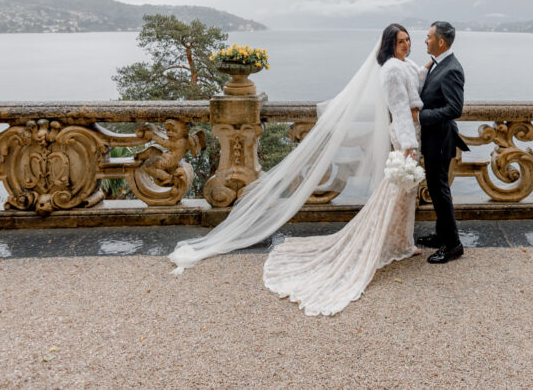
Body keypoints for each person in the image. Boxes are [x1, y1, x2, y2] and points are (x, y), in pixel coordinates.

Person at [167, 23, 435, 316]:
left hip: (411, 133)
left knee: (402, 195)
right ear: (389, 46)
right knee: (395, 194)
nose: (406, 45)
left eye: (408, 40)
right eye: (400, 42)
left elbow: (414, 78)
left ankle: (400, 242)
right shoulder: (392, 70)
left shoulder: (403, 65)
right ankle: (388, 243)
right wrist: (408, 145)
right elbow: (399, 108)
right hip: (406, 136)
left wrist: (430, 64)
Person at [415, 21, 469, 263]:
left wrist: (421, 116)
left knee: (440, 191)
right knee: (437, 189)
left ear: (441, 42)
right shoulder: (440, 64)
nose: (425, 40)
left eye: (428, 37)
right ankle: (440, 235)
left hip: (440, 139)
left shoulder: (452, 69)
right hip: (434, 138)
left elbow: (455, 108)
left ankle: (453, 244)